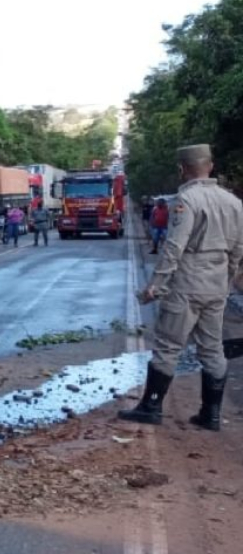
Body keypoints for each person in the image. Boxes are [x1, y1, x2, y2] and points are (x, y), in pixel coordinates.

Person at [119, 144, 243, 431]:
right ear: (210, 166)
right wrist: (227, 280)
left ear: (182, 169)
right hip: (216, 285)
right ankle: (211, 415)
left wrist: (155, 285)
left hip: (187, 283)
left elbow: (174, 247)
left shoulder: (186, 200)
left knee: (168, 346)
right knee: (212, 349)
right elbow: (239, 249)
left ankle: (150, 407)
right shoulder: (234, 202)